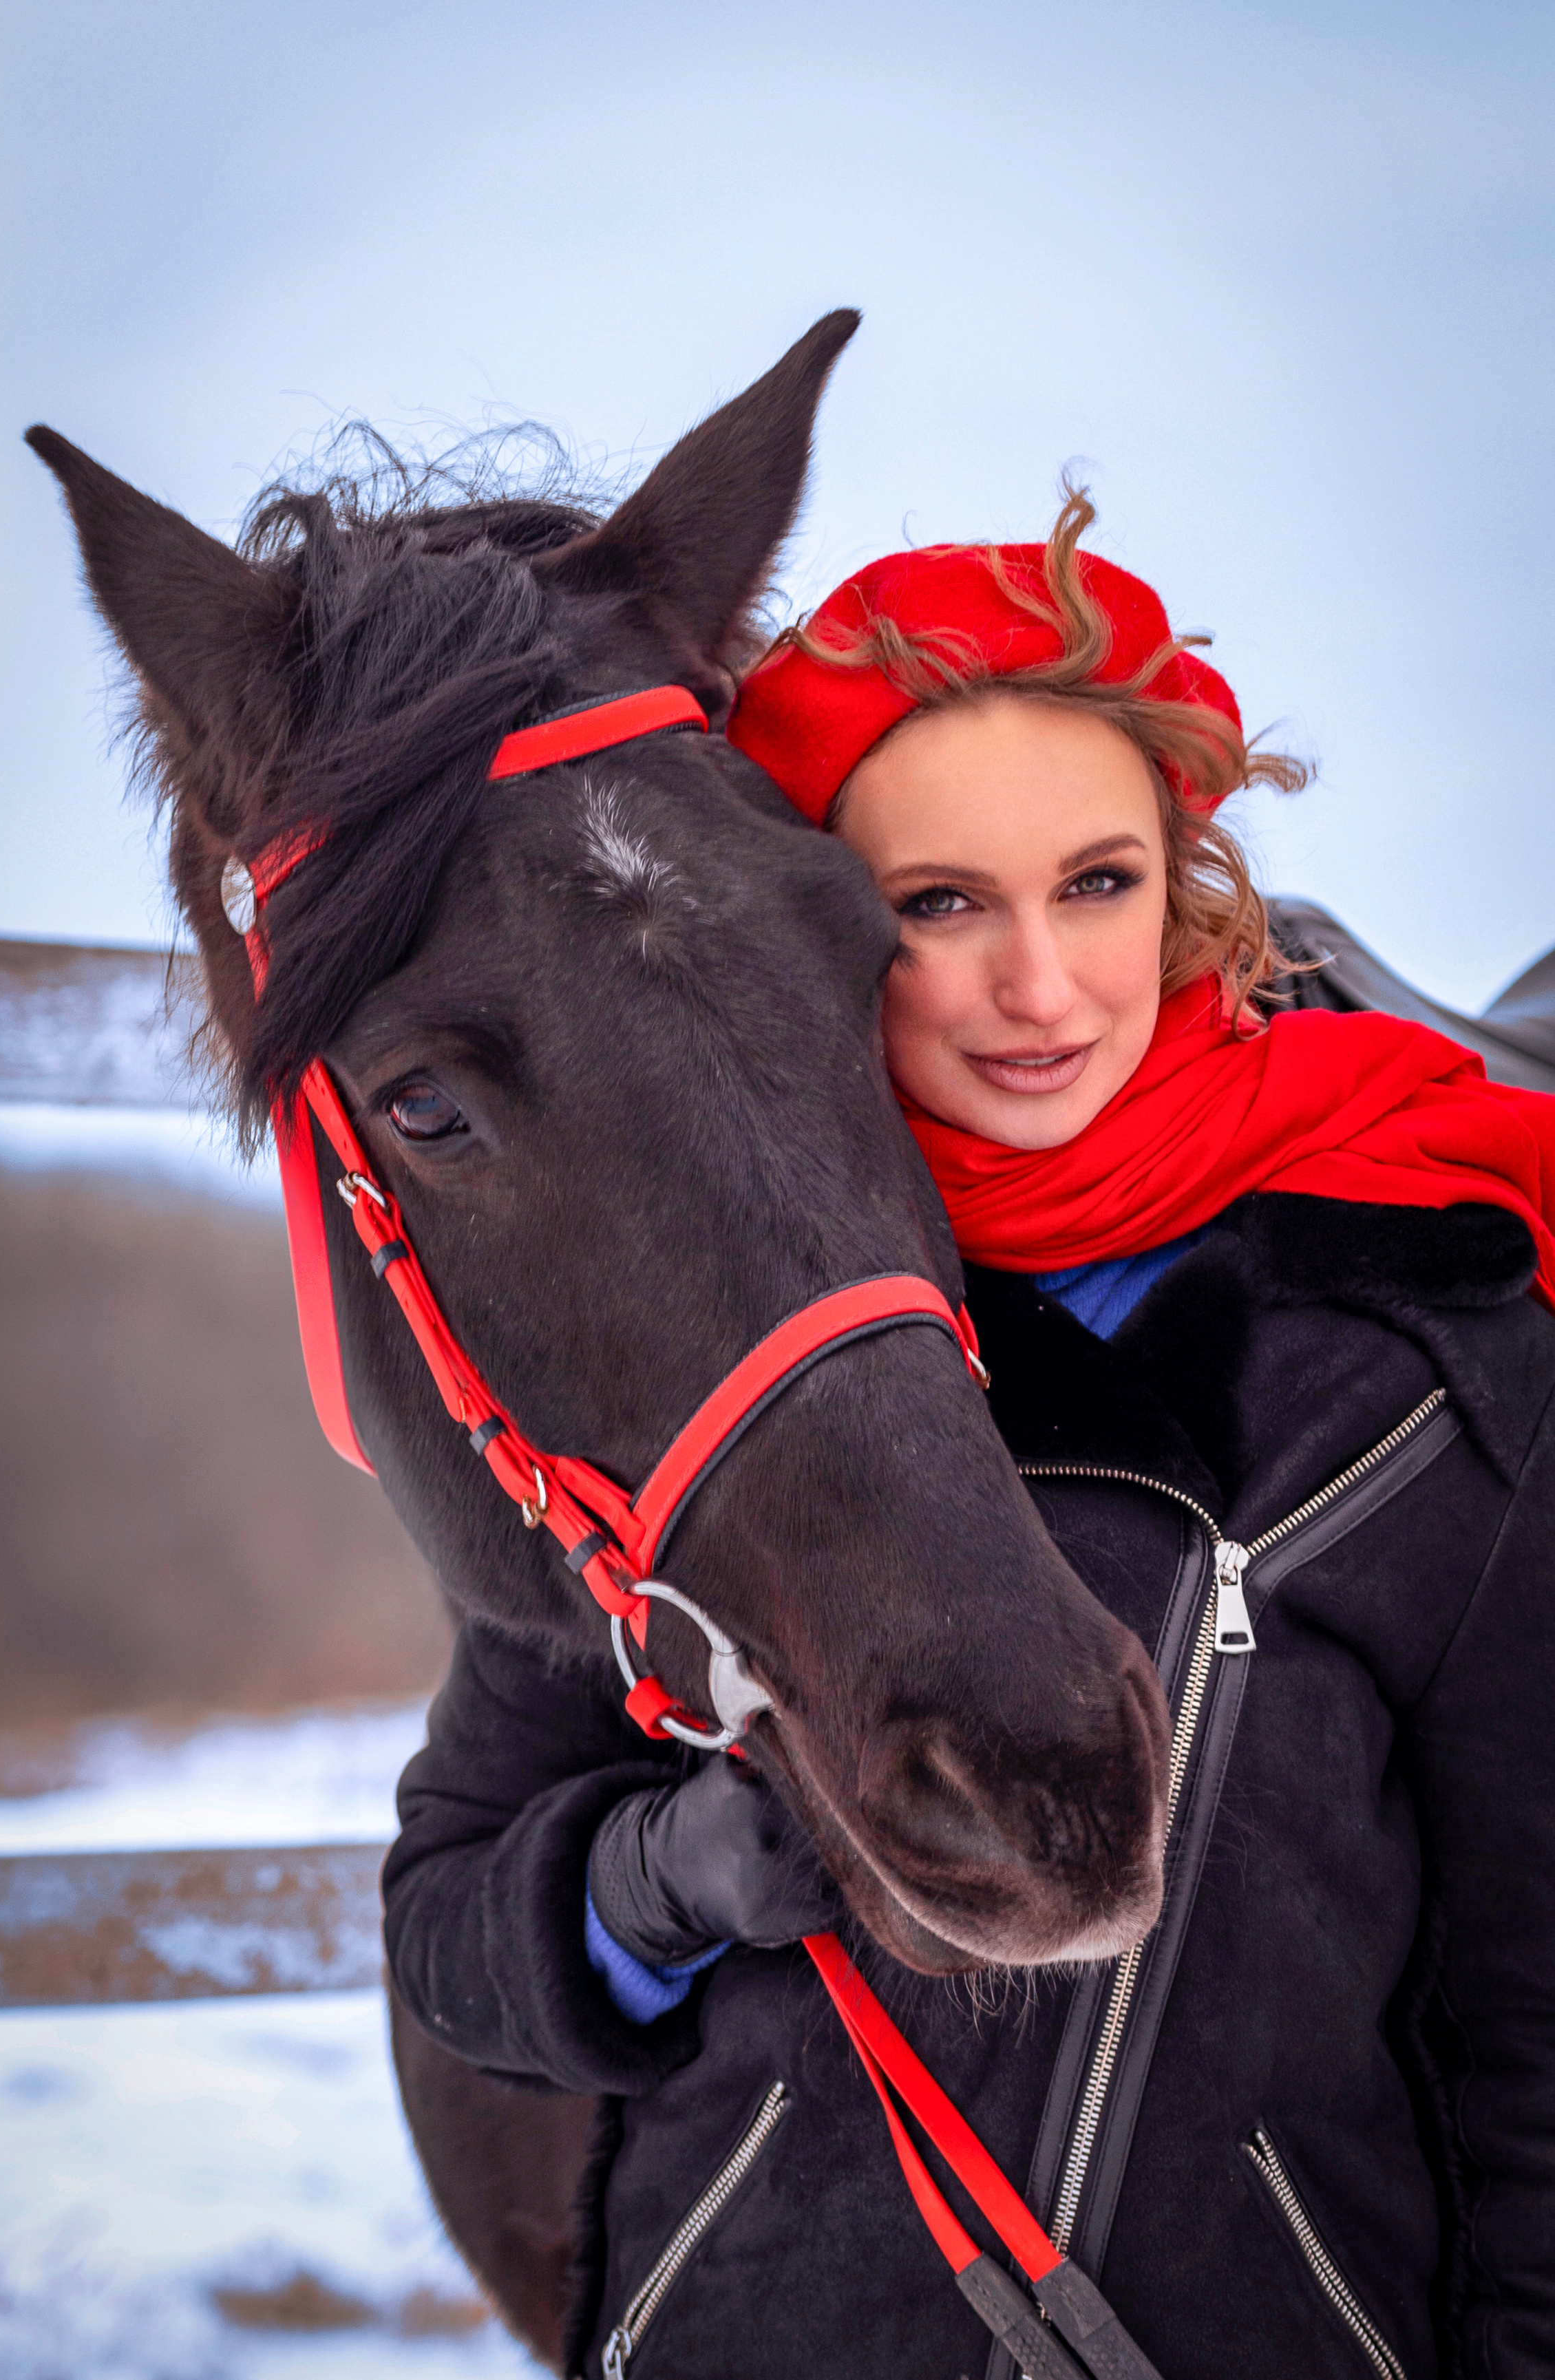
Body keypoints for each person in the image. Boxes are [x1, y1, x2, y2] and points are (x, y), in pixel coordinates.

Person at [384, 487, 1555, 2379]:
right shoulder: (696, 1346)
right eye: (936, 905)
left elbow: (1533, 2027)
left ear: (1182, 885)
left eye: (1098, 883)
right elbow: (449, 1935)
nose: (1039, 988)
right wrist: (655, 1883)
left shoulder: (1431, 1346)